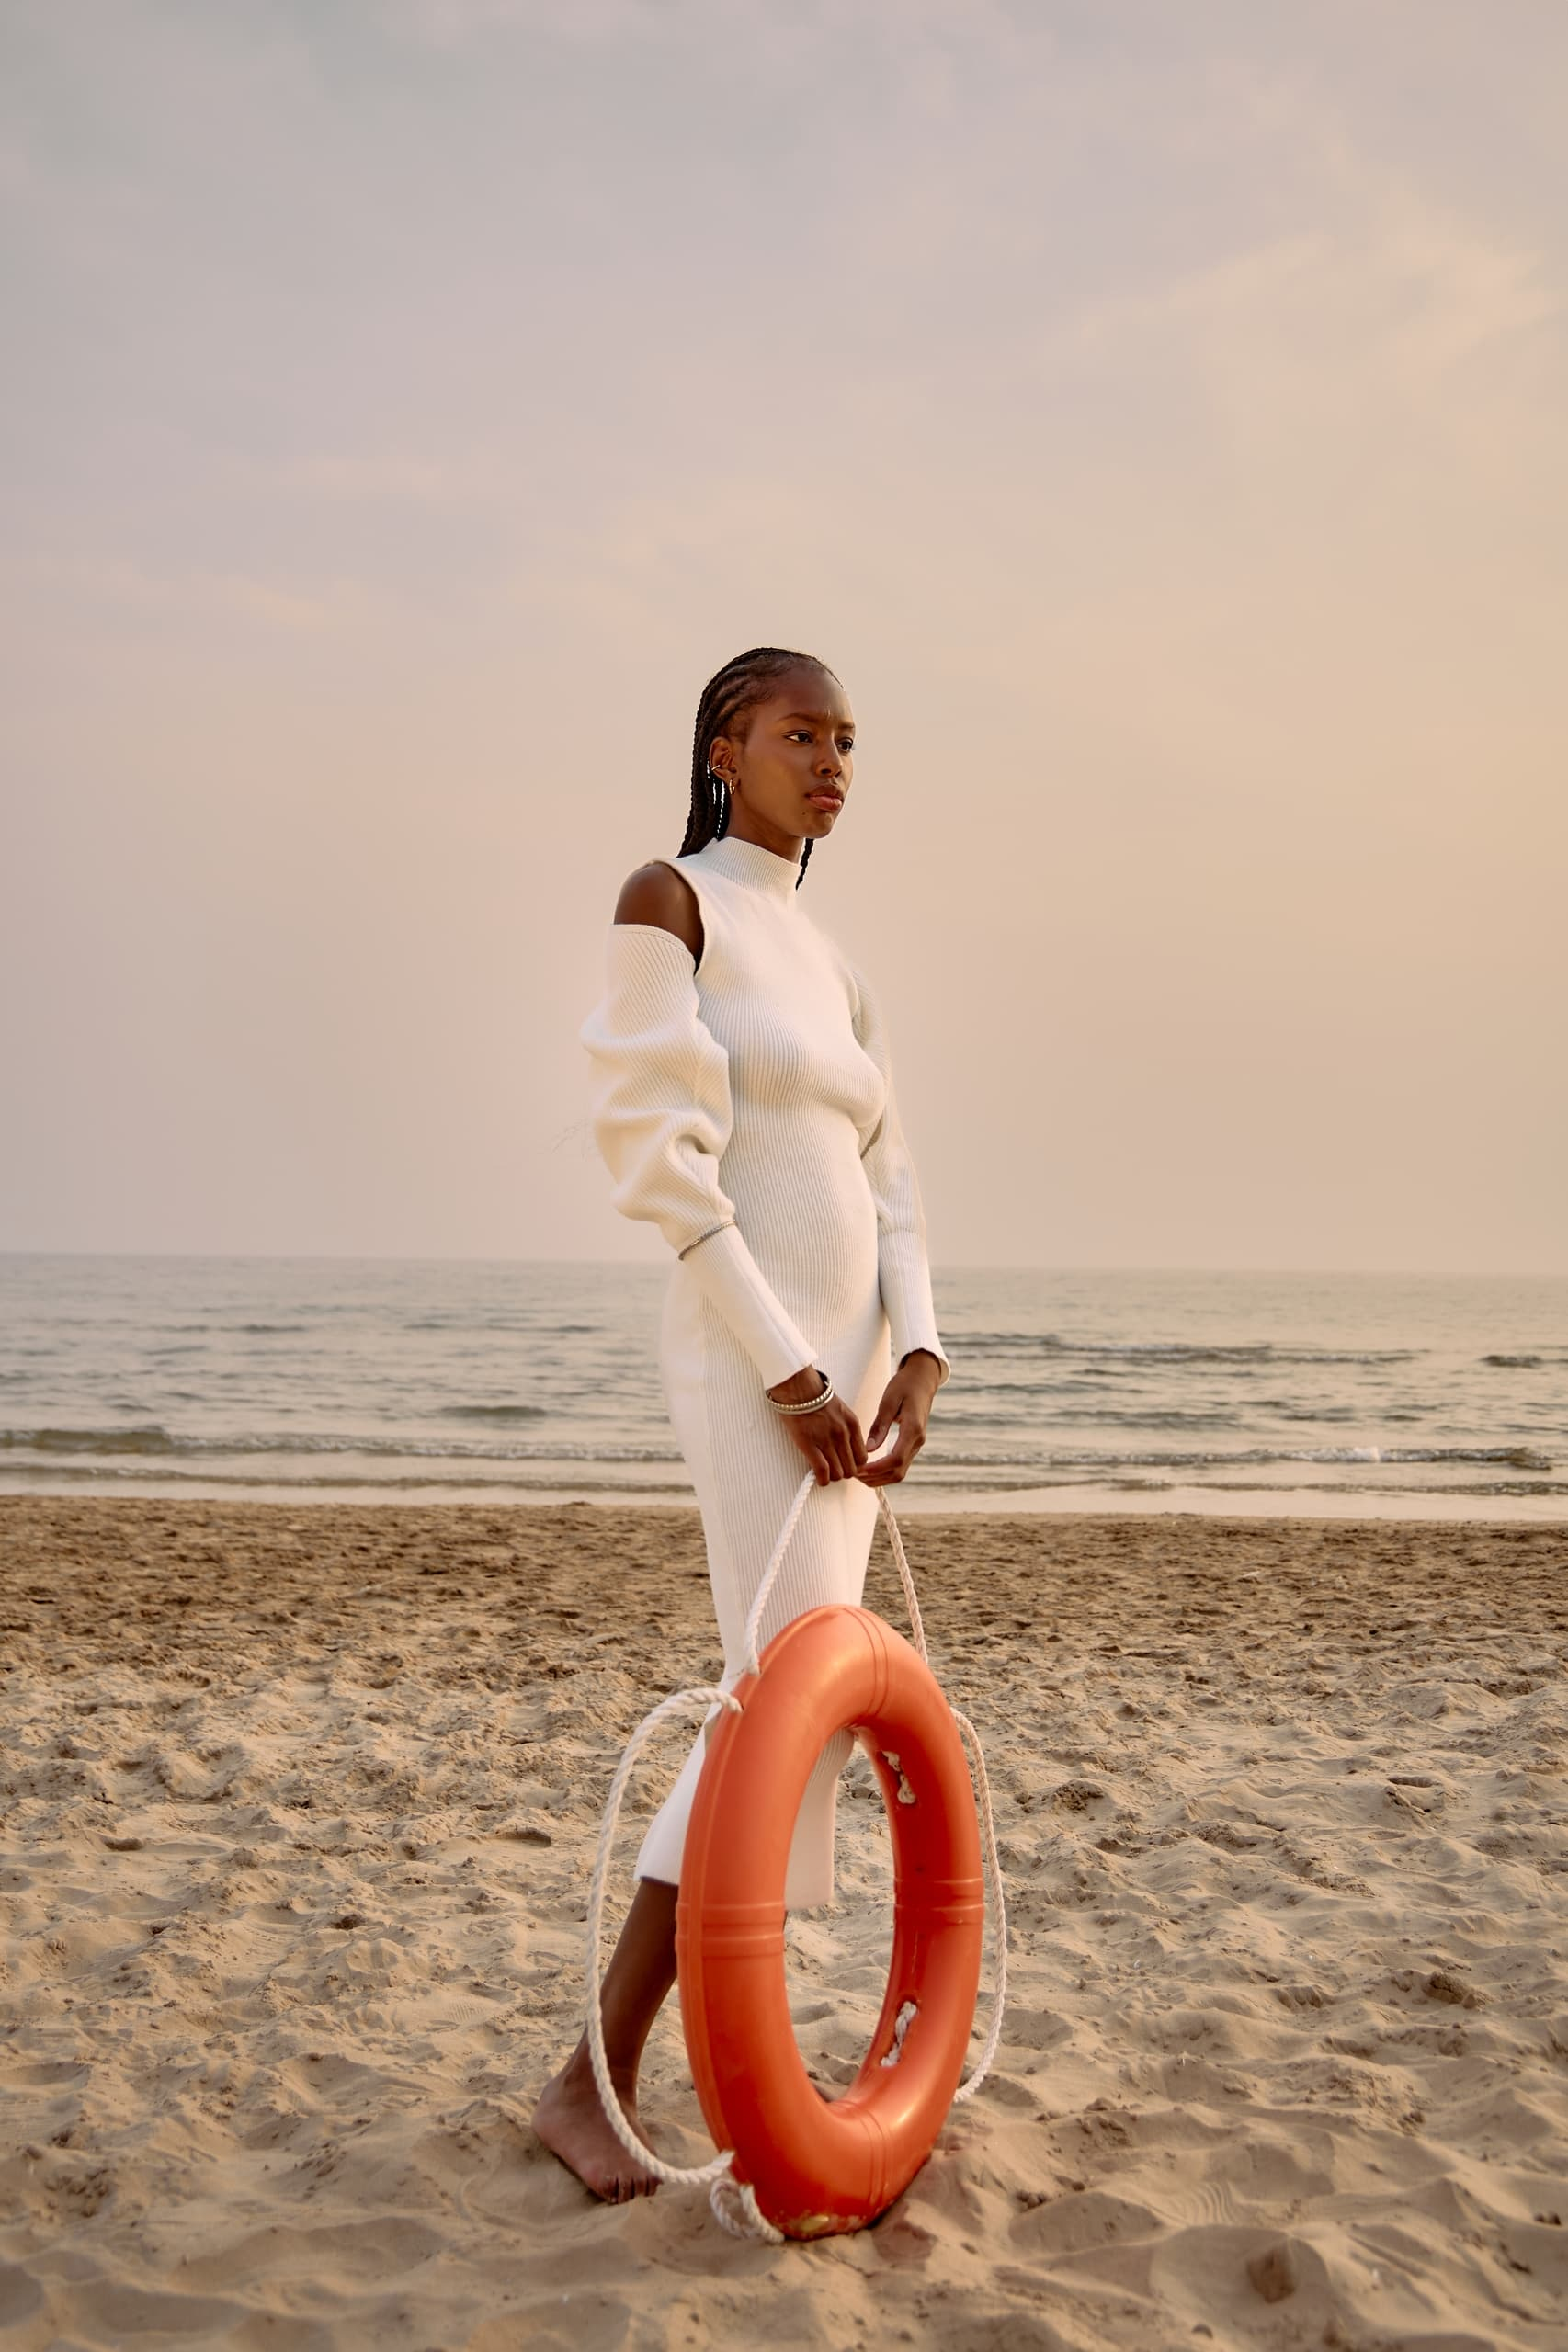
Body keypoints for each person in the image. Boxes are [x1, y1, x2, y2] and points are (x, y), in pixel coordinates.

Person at [532, 644, 951, 2200]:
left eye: (848, 739)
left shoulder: (837, 965)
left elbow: (891, 1178)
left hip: (853, 1386)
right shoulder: (673, 900)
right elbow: (656, 1155)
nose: (831, 760)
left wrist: (918, 1356)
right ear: (726, 746)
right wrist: (787, 1366)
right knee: (767, 1698)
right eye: (799, 733)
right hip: (750, 1361)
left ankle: (648, 2057)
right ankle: (592, 2070)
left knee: (777, 1707)